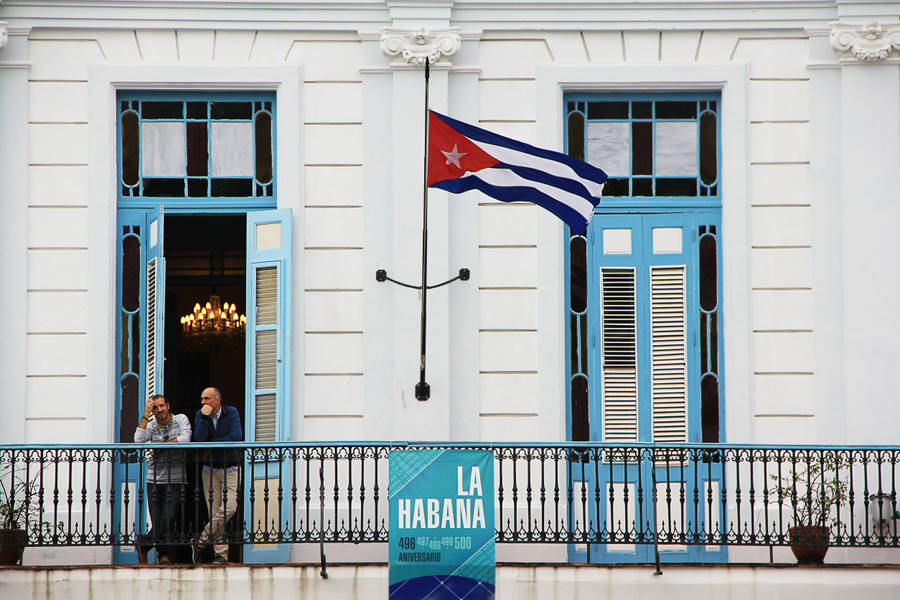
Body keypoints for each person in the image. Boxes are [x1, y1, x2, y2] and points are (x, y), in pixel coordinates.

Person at [133, 394, 192, 564]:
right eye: (155, 408)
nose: (159, 410)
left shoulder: (180, 420)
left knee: (168, 518)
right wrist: (145, 414)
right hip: (154, 480)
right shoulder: (151, 425)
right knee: (158, 520)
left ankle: (143, 545)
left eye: (161, 406)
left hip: (175, 480)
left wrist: (161, 447)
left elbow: (185, 439)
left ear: (168, 405)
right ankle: (163, 555)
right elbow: (138, 441)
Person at [192, 386, 242, 565]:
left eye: (207, 398)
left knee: (230, 507)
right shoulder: (200, 415)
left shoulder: (231, 412)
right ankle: (221, 555)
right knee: (214, 511)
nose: (203, 402)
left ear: (217, 400)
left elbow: (235, 437)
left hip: (231, 468)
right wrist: (204, 418)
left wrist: (211, 445)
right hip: (210, 470)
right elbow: (198, 439)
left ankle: (201, 541)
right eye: (202, 399)